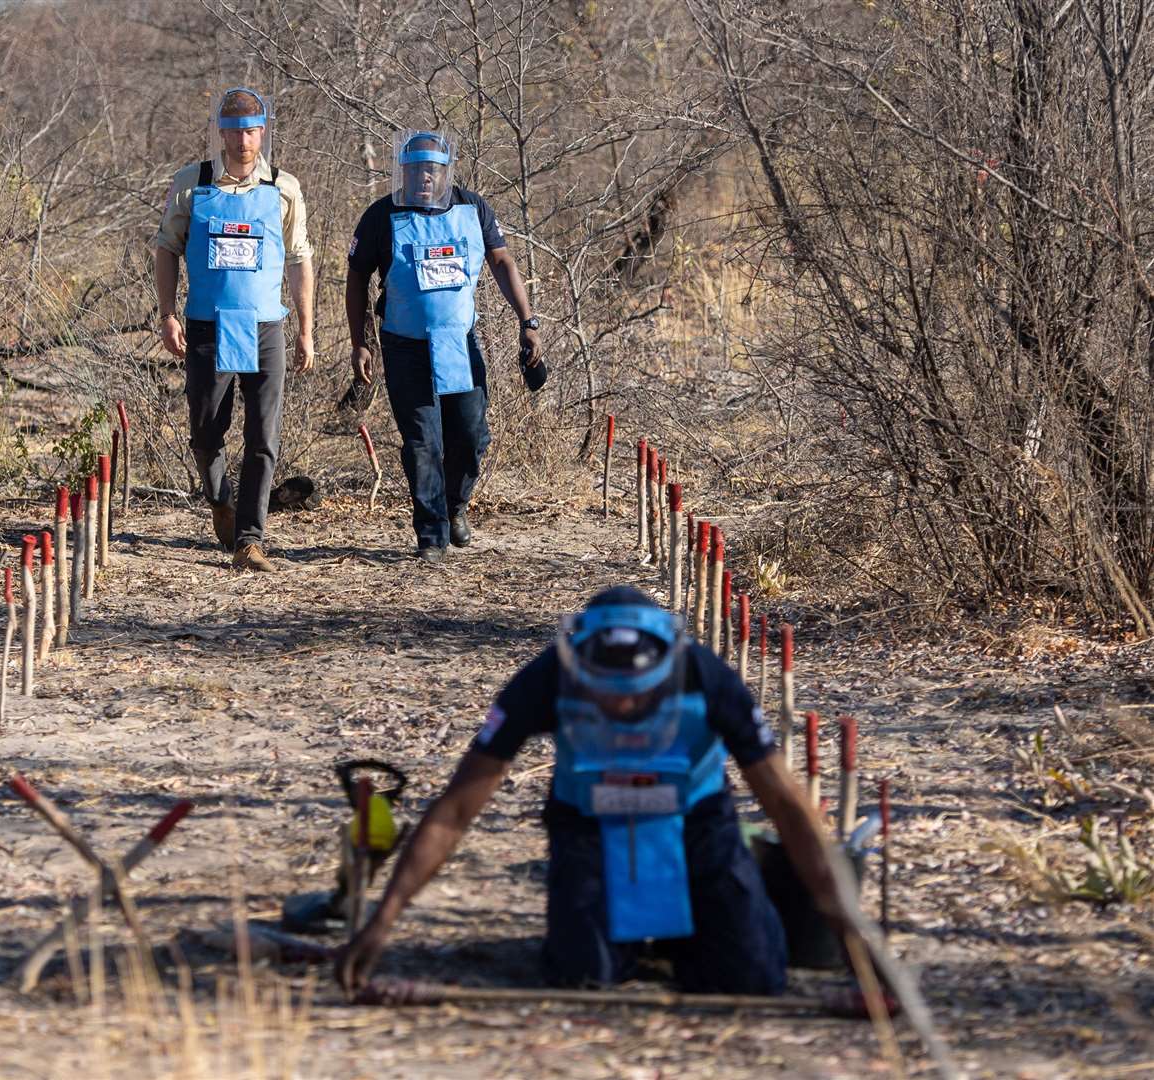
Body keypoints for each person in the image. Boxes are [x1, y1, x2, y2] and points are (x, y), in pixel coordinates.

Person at [335, 586, 867, 997]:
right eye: (606, 697)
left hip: (697, 824)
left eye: (638, 698)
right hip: (587, 826)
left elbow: (785, 804)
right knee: (583, 977)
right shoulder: (543, 680)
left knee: (753, 978)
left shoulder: (708, 677)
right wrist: (385, 919)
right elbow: (456, 809)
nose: (623, 710)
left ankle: (729, 893)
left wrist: (847, 928)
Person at [345, 130, 541, 564]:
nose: (425, 179)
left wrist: (527, 321)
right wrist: (360, 342)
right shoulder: (381, 216)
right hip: (406, 345)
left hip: (459, 343)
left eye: (433, 170)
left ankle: (455, 506)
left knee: (470, 435)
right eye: (416, 170)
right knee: (422, 442)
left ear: (446, 171)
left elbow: (503, 261)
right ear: (404, 171)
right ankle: (430, 533)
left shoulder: (474, 209)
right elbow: (357, 277)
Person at [154, 87, 315, 572]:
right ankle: (220, 500)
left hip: (266, 324)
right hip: (208, 325)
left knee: (264, 436)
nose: (243, 140)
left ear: (262, 131)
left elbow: (300, 257)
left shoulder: (283, 187)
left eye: (251, 130)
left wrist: (306, 326)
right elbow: (166, 248)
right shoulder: (193, 182)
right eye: (234, 130)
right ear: (220, 132)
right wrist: (166, 312)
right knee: (205, 429)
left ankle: (250, 540)